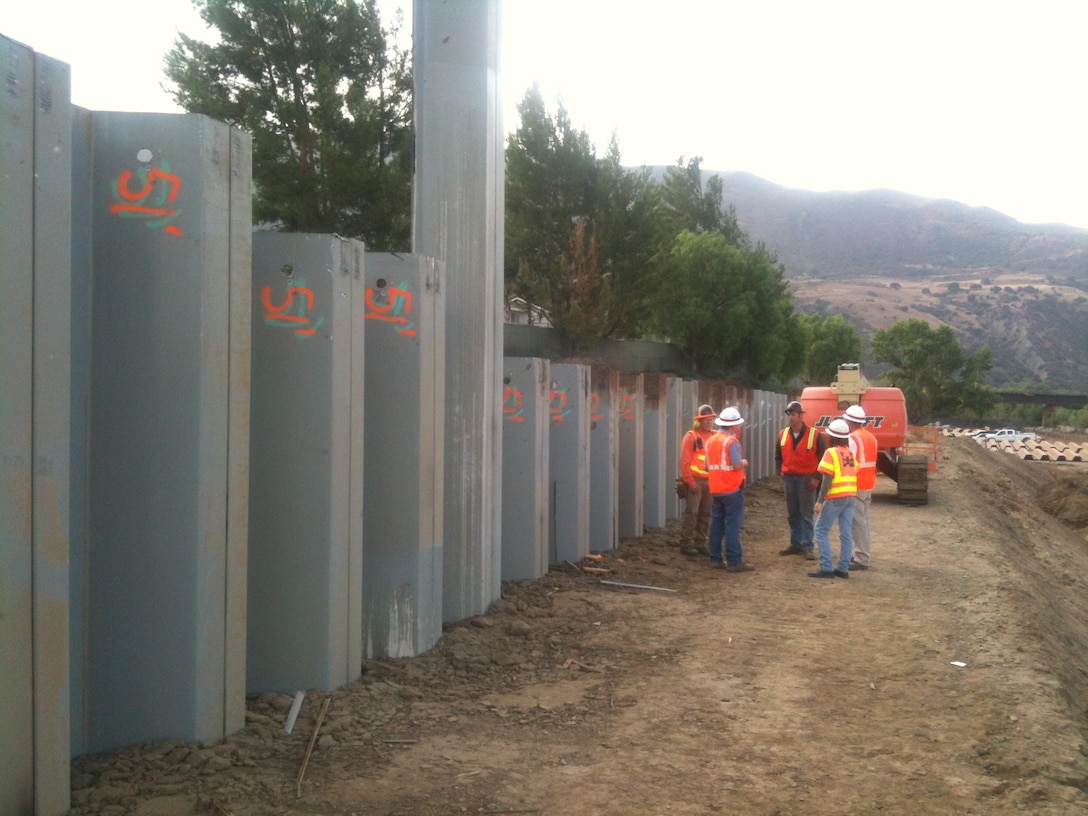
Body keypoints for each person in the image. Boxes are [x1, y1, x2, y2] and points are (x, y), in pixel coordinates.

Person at [775, 400, 827, 561]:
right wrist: (780, 472)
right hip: (789, 478)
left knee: (806, 513)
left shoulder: (815, 435)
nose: (790, 417)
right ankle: (796, 543)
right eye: (789, 414)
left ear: (800, 416)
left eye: (793, 414)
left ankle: (807, 546)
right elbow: (778, 455)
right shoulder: (783, 434)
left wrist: (817, 478)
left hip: (806, 479)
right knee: (793, 513)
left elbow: (823, 458)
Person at [705, 407, 753, 572]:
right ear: (732, 426)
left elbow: (707, 466)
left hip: (716, 489)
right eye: (737, 425)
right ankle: (734, 561)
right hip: (732, 489)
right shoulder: (731, 442)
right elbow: (736, 465)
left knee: (717, 525)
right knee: (732, 525)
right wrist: (745, 462)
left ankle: (715, 559)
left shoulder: (710, 441)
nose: (739, 428)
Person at [809, 418, 857, 579]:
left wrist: (820, 500)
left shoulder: (830, 453)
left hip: (836, 497)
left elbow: (827, 479)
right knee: (846, 533)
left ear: (832, 437)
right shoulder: (849, 453)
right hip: (850, 496)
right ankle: (843, 568)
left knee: (820, 530)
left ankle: (826, 567)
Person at [678, 404, 717, 556]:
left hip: (709, 481)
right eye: (705, 419)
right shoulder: (691, 436)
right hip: (695, 480)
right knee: (692, 512)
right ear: (699, 421)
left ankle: (700, 542)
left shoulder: (714, 436)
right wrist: (690, 481)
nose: (708, 422)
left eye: (710, 419)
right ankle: (686, 543)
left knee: (706, 512)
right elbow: (685, 461)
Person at [843, 404, 878, 571]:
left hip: (856, 484)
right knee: (863, 521)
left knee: (857, 522)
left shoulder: (852, 439)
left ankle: (861, 558)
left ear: (848, 421)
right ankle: (859, 553)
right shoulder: (871, 437)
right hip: (867, 483)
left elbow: (849, 464)